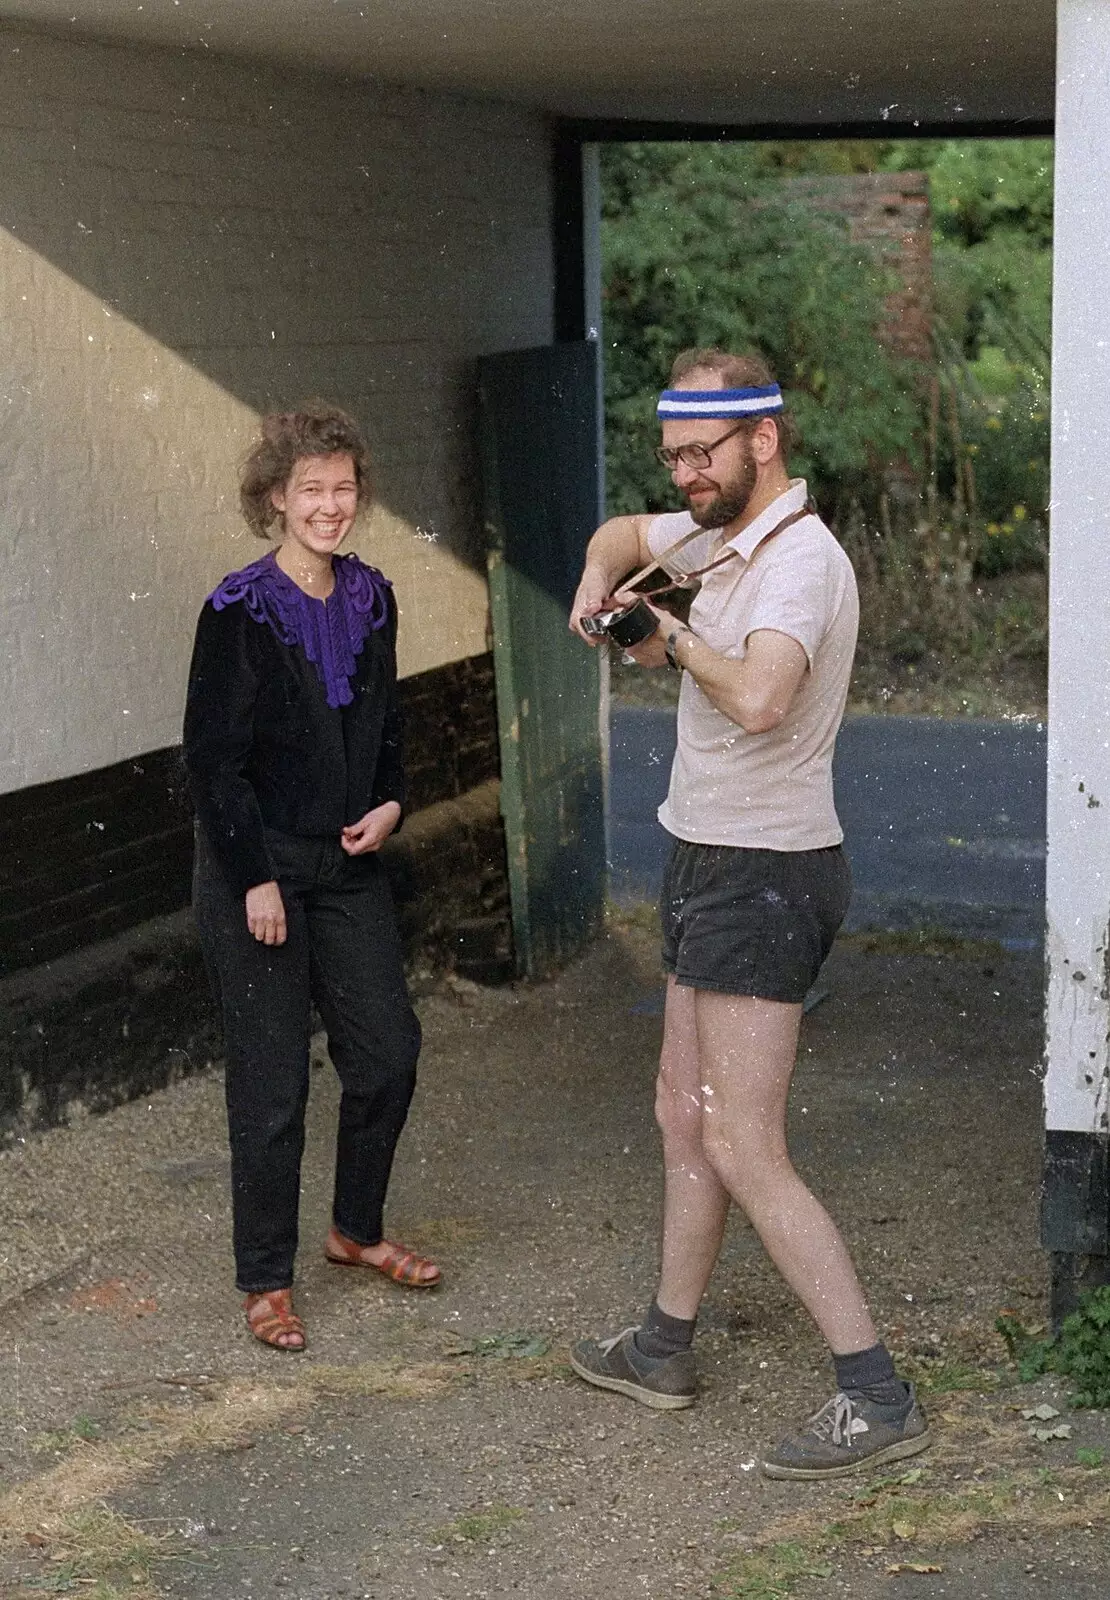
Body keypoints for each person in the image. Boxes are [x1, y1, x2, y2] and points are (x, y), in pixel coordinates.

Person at [567, 349, 929, 1479]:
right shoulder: (720, 537)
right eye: (673, 455)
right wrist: (596, 587)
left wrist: (664, 638)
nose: (684, 476)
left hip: (765, 870)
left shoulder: (798, 566)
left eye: (702, 454)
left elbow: (765, 698)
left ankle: (876, 1391)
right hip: (707, 854)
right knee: (682, 1109)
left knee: (740, 1136)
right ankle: (663, 1347)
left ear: (762, 439)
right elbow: (621, 543)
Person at [183, 403, 439, 1354]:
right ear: (277, 499)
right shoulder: (236, 610)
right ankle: (265, 1280)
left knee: (388, 1053)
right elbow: (212, 762)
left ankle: (354, 1230)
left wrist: (393, 804)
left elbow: (390, 731)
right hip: (256, 868)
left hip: (347, 863)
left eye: (343, 489)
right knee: (271, 1080)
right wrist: (253, 879)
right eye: (311, 491)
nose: (330, 506)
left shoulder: (373, 597)